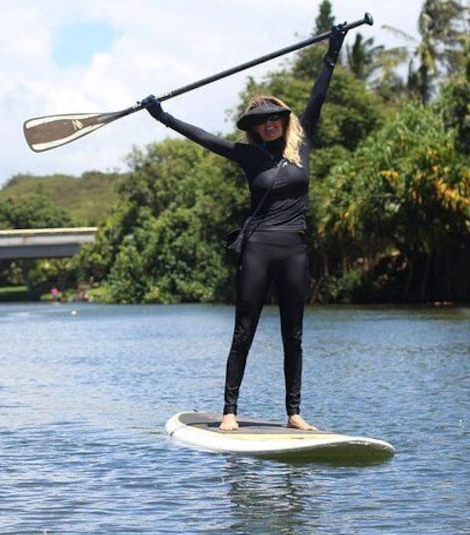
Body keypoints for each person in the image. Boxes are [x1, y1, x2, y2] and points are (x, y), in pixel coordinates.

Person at [142, 25, 347, 431]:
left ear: (283, 121)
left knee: (294, 334)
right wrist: (161, 115)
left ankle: (294, 414)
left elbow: (319, 94)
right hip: (258, 249)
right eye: (261, 121)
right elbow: (202, 137)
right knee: (244, 331)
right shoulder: (248, 156)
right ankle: (230, 412)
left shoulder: (302, 144)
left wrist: (332, 49)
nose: (269, 125)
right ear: (254, 128)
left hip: (295, 250)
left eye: (274, 119)